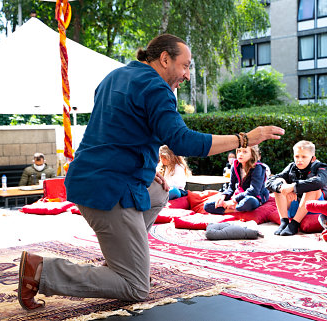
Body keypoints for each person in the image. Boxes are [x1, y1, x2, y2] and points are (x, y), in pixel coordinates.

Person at [16, 34, 284, 310]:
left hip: (87, 177)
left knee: (158, 191)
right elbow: (183, 140)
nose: (187, 75)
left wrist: (145, 165)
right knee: (135, 286)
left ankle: (119, 257)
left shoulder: (113, 77)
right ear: (165, 59)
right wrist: (244, 140)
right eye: (185, 65)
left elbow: (122, 128)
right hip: (108, 189)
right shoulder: (156, 88)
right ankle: (40, 272)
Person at [266, 140, 327, 236]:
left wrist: (293, 187)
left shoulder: (320, 166)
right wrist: (282, 187)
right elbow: (270, 181)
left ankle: (294, 224)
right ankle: (284, 221)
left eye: (304, 157)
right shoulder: (292, 167)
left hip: (314, 206)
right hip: (295, 205)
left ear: (312, 158)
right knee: (279, 183)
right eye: (297, 156)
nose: (299, 160)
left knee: (314, 188)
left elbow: (320, 182)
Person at [204, 145, 270, 214]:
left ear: (252, 155)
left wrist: (234, 200)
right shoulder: (235, 166)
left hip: (254, 197)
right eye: (239, 151)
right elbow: (231, 188)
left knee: (250, 201)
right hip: (238, 196)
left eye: (245, 152)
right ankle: (233, 209)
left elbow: (254, 191)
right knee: (208, 205)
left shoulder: (257, 167)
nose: (240, 154)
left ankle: (232, 208)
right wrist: (223, 196)